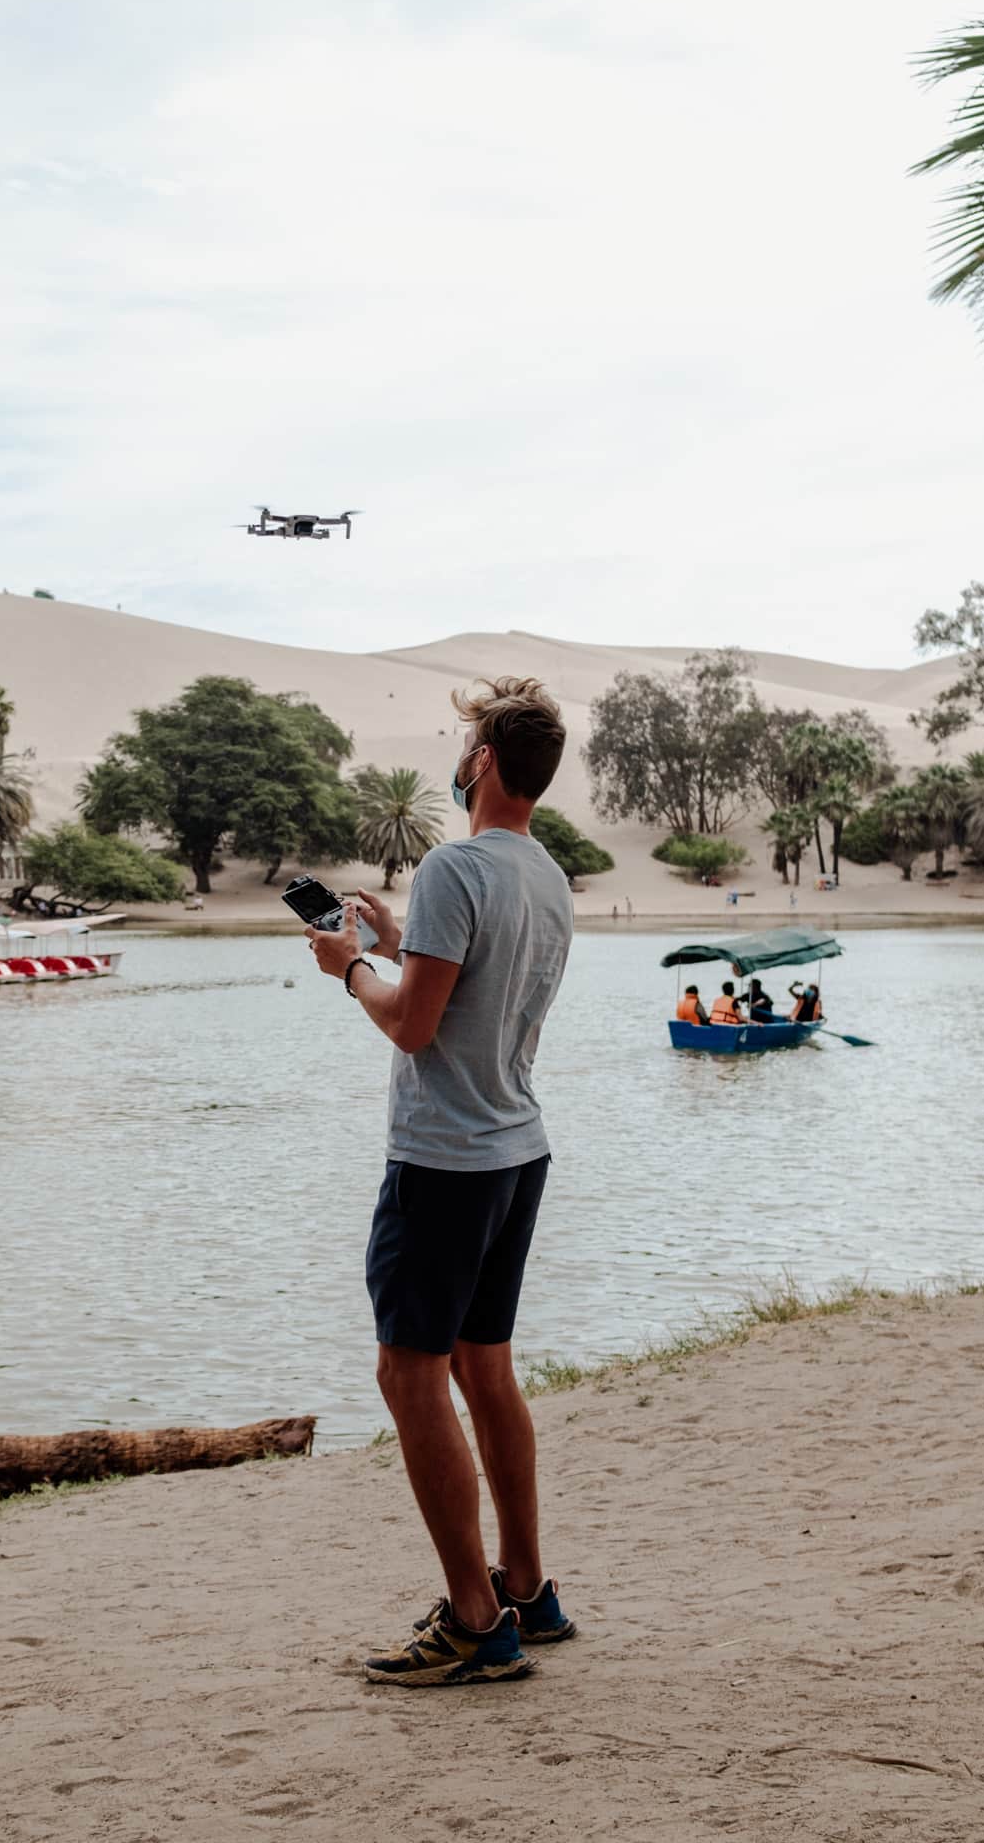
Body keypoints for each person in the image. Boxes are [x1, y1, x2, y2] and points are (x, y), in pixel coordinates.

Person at [307, 676, 576, 1687]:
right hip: (516, 1147)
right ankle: (527, 1587)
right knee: (484, 1363)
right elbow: (470, 983)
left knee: (408, 1370)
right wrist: (395, 942)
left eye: (465, 744)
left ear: (484, 764)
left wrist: (348, 966)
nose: (456, 758)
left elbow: (413, 1025)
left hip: (447, 1157)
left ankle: (473, 1617)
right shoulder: (544, 871)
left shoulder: (457, 864)